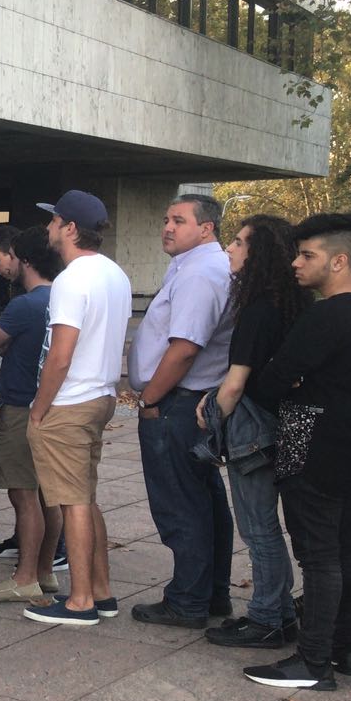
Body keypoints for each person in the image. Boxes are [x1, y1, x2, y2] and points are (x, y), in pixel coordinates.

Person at [241, 212, 351, 690]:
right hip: (341, 448)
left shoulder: (326, 315)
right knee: (344, 552)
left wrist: (296, 382)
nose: (295, 263)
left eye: (307, 255)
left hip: (314, 449)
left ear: (340, 260)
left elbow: (271, 379)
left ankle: (312, 663)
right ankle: (340, 649)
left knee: (320, 556)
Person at [198, 215, 312, 648]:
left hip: (255, 434)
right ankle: (279, 612)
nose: (230, 248)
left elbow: (236, 382)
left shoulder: (258, 309)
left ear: (260, 254)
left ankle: (267, 618)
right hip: (287, 425)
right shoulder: (294, 304)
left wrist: (210, 416)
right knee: (270, 527)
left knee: (259, 528)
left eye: (241, 243)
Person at [22, 190, 133, 626]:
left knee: (73, 503)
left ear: (70, 229)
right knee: (85, 497)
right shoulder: (115, 274)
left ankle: (81, 600)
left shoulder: (72, 278)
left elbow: (61, 353)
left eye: (54, 221)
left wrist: (38, 409)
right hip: (101, 394)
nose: (49, 228)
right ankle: (101, 593)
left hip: (69, 401)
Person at [128, 194, 236, 629]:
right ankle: (210, 597)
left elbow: (185, 348)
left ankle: (188, 601)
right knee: (203, 499)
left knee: (182, 503)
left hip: (179, 403)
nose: (167, 227)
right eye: (165, 219)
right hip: (186, 400)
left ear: (206, 229)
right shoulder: (197, 267)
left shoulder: (202, 273)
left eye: (179, 220)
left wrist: (150, 398)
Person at [0, 226, 64, 603]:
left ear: (21, 258)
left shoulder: (24, 305)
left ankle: (24, 576)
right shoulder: (61, 298)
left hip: (20, 407)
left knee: (23, 495)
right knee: (50, 496)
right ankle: (44, 572)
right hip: (53, 406)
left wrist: (5, 341)